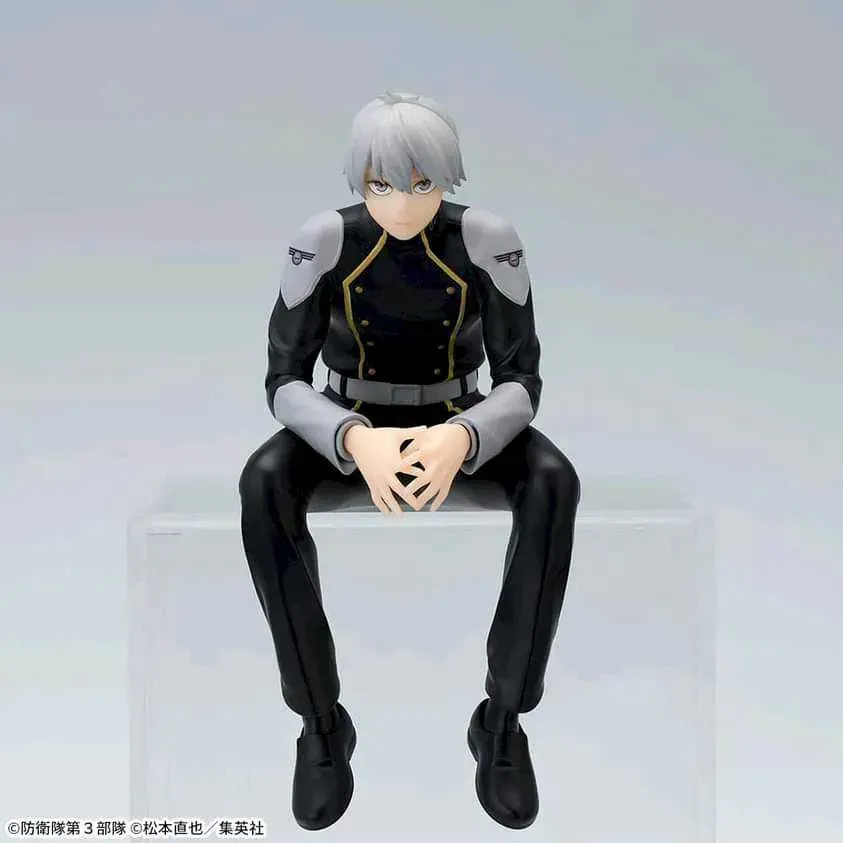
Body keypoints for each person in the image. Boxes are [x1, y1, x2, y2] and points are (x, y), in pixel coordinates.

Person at [238, 92, 580, 831]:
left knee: (554, 480)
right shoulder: (322, 240)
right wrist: (352, 438)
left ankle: (502, 720)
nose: (401, 203)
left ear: (446, 178)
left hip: (457, 414)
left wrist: (463, 437)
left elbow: (522, 380)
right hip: (349, 419)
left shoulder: (486, 238)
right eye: (381, 184)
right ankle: (320, 723)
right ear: (358, 179)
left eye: (421, 184)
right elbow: (282, 380)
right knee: (263, 482)